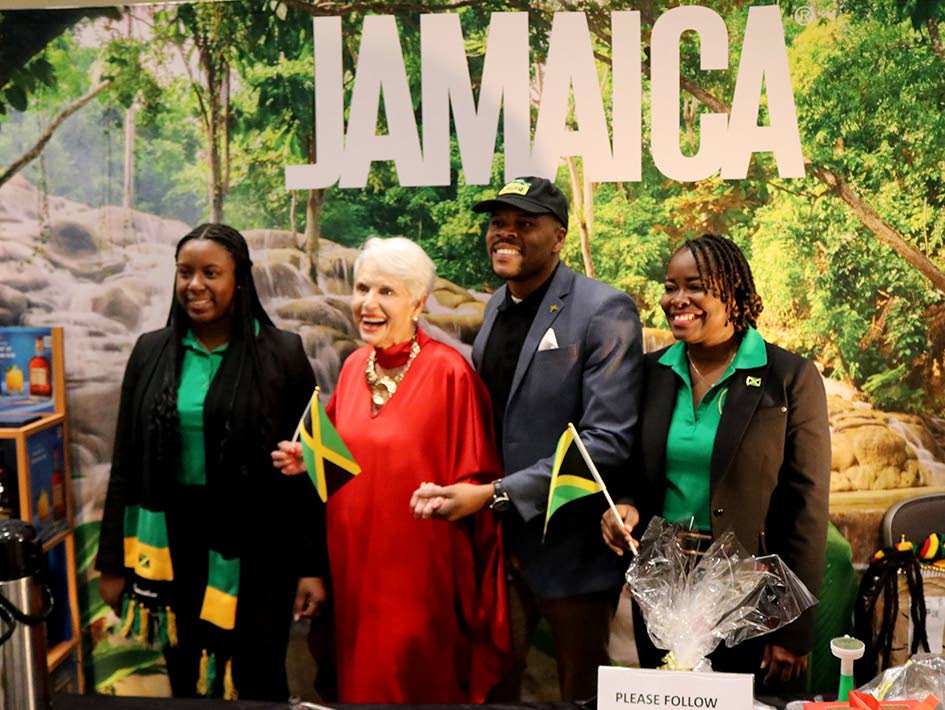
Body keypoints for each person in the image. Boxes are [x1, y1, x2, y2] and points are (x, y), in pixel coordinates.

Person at [410, 177, 643, 701]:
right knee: (496, 685)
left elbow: (604, 441)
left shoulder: (604, 310)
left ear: (559, 236)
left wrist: (495, 495)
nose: (505, 234)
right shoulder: (494, 307)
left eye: (524, 222)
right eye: (498, 222)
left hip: (572, 552)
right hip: (498, 550)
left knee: (579, 693)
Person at [272, 236, 510, 703]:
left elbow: (476, 482)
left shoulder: (450, 374)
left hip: (418, 573)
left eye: (387, 292)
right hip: (353, 566)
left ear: (418, 301)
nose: (368, 303)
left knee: (410, 680)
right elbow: (348, 464)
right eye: (362, 289)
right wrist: (311, 461)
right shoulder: (352, 366)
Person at [96, 223, 326, 701]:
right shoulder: (150, 352)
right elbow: (125, 461)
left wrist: (311, 566)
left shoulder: (282, 353)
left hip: (261, 550)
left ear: (239, 280)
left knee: (260, 676)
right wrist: (113, 563)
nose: (194, 285)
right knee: (185, 674)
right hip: (172, 549)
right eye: (185, 273)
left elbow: (310, 469)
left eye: (210, 273)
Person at [601, 233, 830, 689]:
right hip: (663, 589)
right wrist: (622, 504)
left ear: (733, 291)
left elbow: (807, 507)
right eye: (670, 286)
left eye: (695, 286)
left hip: (749, 596)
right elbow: (631, 469)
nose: (677, 299)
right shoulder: (651, 372)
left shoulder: (789, 378)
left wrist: (795, 629)